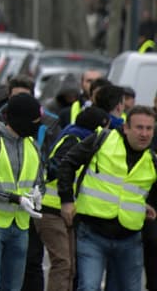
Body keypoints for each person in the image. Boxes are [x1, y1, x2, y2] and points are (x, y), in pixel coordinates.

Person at [58, 105, 157, 291]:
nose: (144, 133)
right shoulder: (103, 140)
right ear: (126, 128)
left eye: (149, 128)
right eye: (139, 127)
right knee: (89, 286)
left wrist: (150, 205)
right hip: (93, 234)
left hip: (130, 238)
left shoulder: (152, 159)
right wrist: (66, 200)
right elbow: (67, 163)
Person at [0, 93, 45, 291]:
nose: (37, 126)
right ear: (20, 120)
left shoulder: (32, 145)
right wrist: (17, 199)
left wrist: (38, 195)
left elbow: (40, 180)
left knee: (13, 286)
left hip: (20, 225)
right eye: (34, 122)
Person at [37, 107, 109, 291]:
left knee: (71, 266)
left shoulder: (74, 136)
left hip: (63, 210)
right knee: (63, 264)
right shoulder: (74, 140)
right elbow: (56, 168)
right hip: (51, 209)